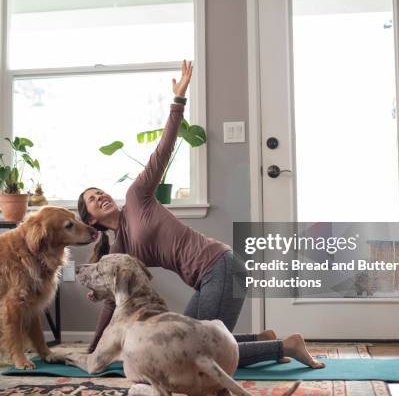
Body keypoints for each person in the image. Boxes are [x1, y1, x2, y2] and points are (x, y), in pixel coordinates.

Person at [77, 60, 324, 369]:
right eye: (91, 198)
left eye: (99, 191)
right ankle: (262, 339)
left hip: (219, 267)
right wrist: (94, 347)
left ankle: (284, 346)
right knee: (179, 341)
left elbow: (163, 150)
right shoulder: (119, 251)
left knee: (191, 351)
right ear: (90, 221)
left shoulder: (136, 197)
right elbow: (113, 302)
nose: (99, 195)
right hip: (208, 277)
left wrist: (178, 101)